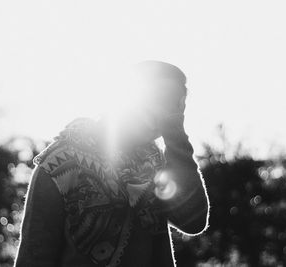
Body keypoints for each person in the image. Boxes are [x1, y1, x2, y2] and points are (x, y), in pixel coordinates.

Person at [14, 60, 210, 267]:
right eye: (158, 99)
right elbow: (33, 258)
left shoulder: (155, 162)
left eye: (174, 107)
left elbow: (193, 220)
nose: (164, 115)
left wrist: (176, 136)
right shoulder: (60, 163)